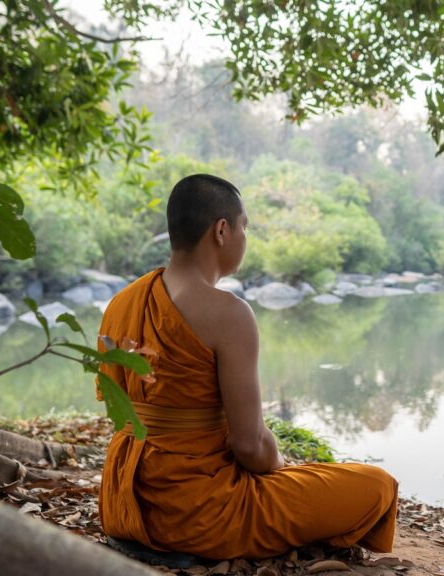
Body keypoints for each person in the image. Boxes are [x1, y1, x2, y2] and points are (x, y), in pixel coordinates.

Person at [96, 174, 398, 560]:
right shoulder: (229, 313)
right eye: (245, 227)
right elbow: (250, 446)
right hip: (197, 513)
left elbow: (120, 410)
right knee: (376, 484)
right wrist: (281, 466)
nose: (244, 237)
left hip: (122, 501)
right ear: (221, 231)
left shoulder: (122, 302)